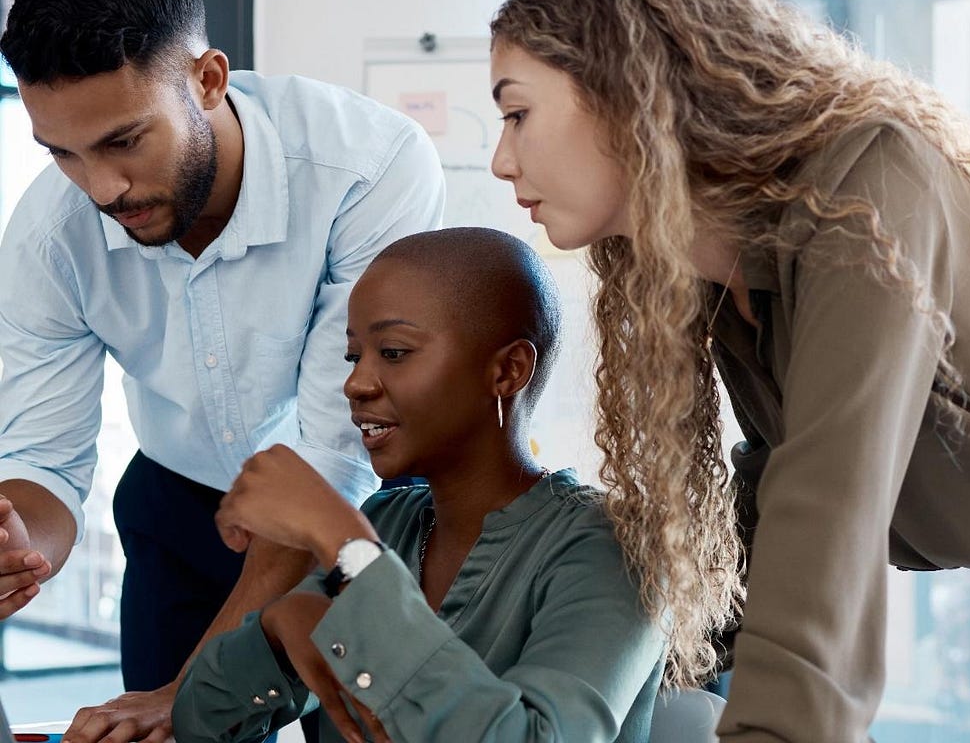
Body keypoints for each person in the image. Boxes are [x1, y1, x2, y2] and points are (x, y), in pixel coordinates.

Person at [488, 0, 970, 741]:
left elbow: (829, 500)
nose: (502, 160)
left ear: (626, 91)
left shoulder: (874, 186)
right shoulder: (730, 273)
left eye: (517, 113)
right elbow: (774, 497)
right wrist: (610, 646)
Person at [0, 0, 443, 739]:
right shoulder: (50, 235)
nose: (101, 187)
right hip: (178, 504)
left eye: (124, 141)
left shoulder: (367, 169)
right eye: (64, 153)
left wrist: (191, 687)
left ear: (208, 80)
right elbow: (44, 460)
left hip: (358, 518)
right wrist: (16, 545)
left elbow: (332, 457)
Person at [170, 226, 666, 743]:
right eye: (353, 356)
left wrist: (347, 546)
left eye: (394, 352)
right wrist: (273, 637)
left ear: (508, 371)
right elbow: (199, 724)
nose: (355, 383)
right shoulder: (389, 523)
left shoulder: (612, 548)